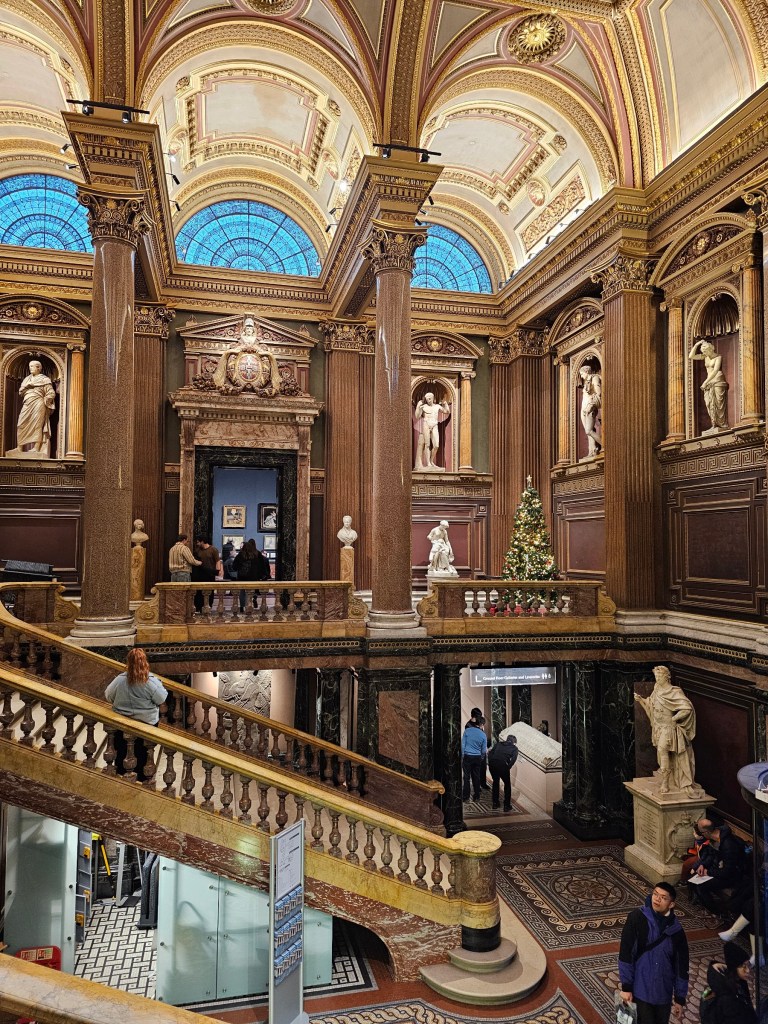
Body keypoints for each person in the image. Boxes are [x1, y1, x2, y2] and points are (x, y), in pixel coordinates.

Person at [618, 881, 689, 1023]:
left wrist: (680, 999)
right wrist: (626, 987)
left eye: (663, 897)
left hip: (663, 994)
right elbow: (626, 954)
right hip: (640, 990)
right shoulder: (637, 918)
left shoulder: (677, 931)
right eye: (655, 894)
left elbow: (681, 966)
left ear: (671, 904)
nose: (657, 899)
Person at [634, 665, 701, 796]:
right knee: (661, 754)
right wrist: (641, 700)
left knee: (662, 750)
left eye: (660, 676)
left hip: (668, 728)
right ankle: (666, 777)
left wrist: (674, 718)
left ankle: (665, 782)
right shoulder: (656, 690)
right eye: (656, 677)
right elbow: (651, 706)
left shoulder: (674, 692)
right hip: (658, 727)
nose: (657, 679)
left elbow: (687, 708)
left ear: (667, 677)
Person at [105, 648, 168, 781]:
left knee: (121, 751)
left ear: (128, 662)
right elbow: (161, 698)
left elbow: (108, 695)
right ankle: (143, 779)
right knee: (143, 754)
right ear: (145, 662)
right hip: (146, 725)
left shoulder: (120, 680)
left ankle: (122, 777)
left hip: (122, 723)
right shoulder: (150, 682)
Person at [689, 819, 746, 916]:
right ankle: (706, 906)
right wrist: (703, 865)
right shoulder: (715, 837)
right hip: (719, 869)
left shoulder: (728, 845)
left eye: (701, 832)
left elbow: (728, 871)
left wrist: (709, 872)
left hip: (733, 875)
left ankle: (719, 913)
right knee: (692, 880)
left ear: (706, 832)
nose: (701, 835)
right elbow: (711, 854)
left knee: (701, 887)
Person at [6, 359, 57, 458]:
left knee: (37, 425)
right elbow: (21, 392)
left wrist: (46, 400)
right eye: (30, 366)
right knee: (21, 423)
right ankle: (19, 448)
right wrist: (28, 386)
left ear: (39, 368)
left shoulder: (44, 379)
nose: (31, 368)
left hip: (38, 403)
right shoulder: (26, 379)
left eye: (33, 366)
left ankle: (36, 448)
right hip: (27, 403)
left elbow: (51, 393)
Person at [702, 941, 755, 1023]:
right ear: (734, 968)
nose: (748, 970)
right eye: (743, 967)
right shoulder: (725, 996)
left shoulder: (737, 980)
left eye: (748, 965)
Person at [689, 339, 729, 432]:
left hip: (718, 380)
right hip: (709, 382)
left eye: (706, 351)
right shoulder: (705, 357)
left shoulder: (718, 357)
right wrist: (697, 344)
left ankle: (721, 425)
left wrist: (705, 382)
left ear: (711, 349)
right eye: (703, 352)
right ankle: (714, 424)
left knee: (718, 403)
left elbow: (715, 371)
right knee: (709, 403)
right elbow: (691, 356)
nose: (705, 353)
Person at [414, 392, 451, 470]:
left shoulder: (437, 406)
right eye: (427, 399)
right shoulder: (423, 407)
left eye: (429, 398)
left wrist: (445, 404)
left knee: (436, 445)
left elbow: (447, 411)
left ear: (433, 398)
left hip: (434, 425)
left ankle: (431, 461)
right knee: (427, 444)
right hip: (426, 424)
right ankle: (428, 463)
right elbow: (417, 416)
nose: (428, 400)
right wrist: (418, 407)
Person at [233, 538, 271, 612]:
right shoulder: (256, 554)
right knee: (250, 592)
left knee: (242, 592)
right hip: (253, 577)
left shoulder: (240, 555)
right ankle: (249, 606)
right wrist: (262, 575)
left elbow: (234, 566)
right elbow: (261, 566)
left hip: (242, 577)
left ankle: (242, 607)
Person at [488, 734, 518, 811]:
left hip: (493, 765)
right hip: (502, 766)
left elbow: (490, 753)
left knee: (495, 782)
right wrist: (507, 767)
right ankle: (506, 806)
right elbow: (513, 760)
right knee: (507, 785)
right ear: (513, 742)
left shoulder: (498, 744)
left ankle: (495, 803)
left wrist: (490, 761)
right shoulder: (514, 748)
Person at [461, 715, 487, 802]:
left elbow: (462, 745)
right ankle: (477, 796)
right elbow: (484, 750)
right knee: (476, 777)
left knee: (466, 777)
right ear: (482, 724)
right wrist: (481, 757)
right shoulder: (483, 735)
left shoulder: (467, 731)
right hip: (477, 757)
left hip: (467, 756)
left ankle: (466, 796)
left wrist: (463, 755)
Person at [193, 538, 222, 614]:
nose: (197, 544)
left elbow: (217, 560)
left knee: (210, 591)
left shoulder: (213, 549)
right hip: (200, 573)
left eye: (198, 542)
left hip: (210, 573)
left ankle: (209, 606)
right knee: (199, 591)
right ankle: (199, 607)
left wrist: (218, 570)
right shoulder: (197, 550)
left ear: (202, 541)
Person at [579, 364, 602, 456]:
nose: (581, 376)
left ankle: (606, 446)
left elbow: (598, 393)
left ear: (586, 371)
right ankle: (592, 451)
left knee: (589, 431)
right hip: (584, 409)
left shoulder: (595, 378)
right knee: (588, 432)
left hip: (590, 407)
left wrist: (591, 405)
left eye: (582, 373)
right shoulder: (586, 382)